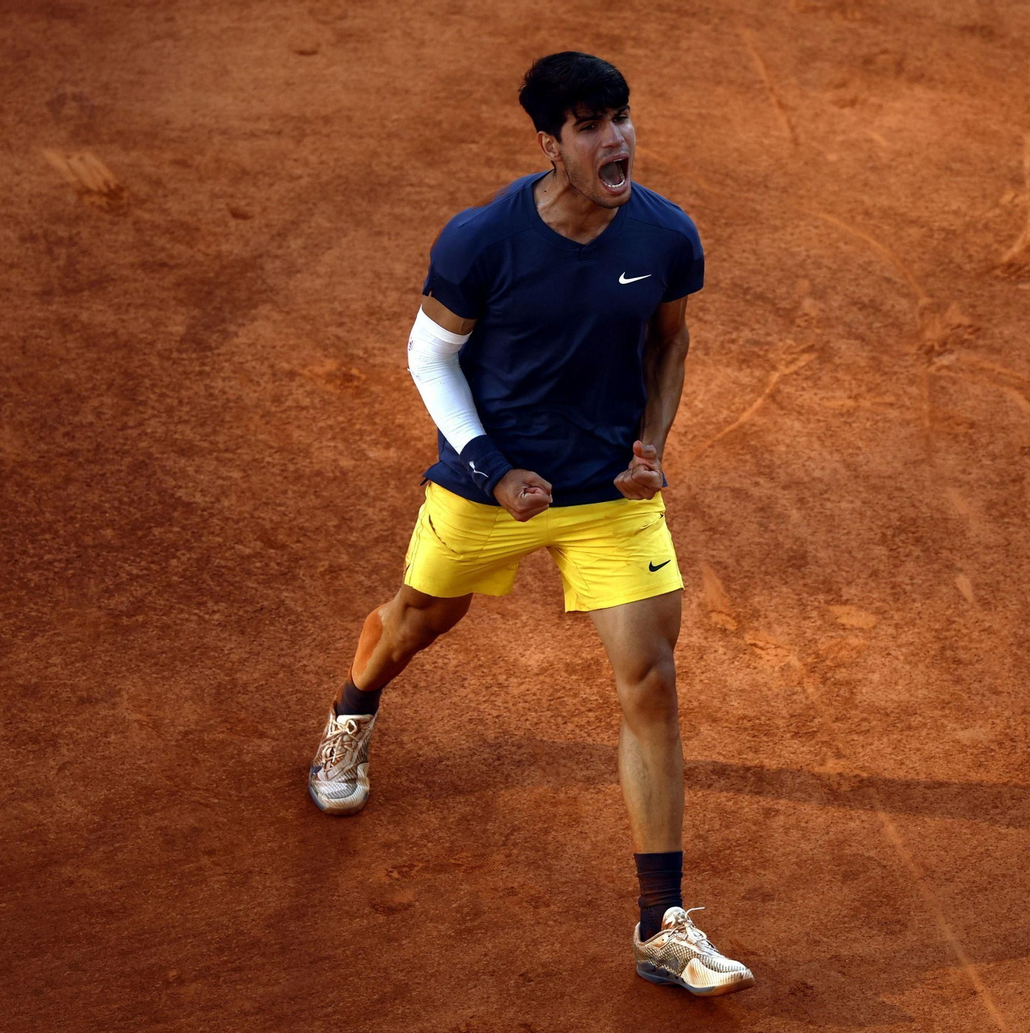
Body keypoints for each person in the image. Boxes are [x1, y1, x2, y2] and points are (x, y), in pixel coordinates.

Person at [306, 51, 754, 997]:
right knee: (419, 619)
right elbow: (430, 357)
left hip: (609, 496)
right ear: (551, 145)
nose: (616, 138)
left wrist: (650, 442)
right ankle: (352, 708)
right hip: (488, 485)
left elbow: (671, 341)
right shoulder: (483, 240)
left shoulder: (666, 234)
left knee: (652, 678)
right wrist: (488, 468)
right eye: (590, 124)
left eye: (622, 117)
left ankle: (660, 922)